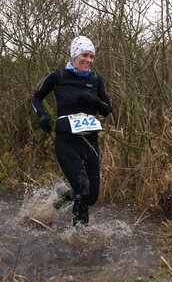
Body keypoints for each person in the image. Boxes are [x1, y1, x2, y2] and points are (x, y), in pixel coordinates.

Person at [31, 36, 112, 227]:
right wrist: (41, 116)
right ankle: (78, 237)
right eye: (85, 55)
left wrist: (94, 101)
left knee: (91, 197)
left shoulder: (96, 78)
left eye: (92, 56)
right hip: (66, 142)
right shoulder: (58, 76)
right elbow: (36, 97)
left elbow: (107, 110)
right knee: (83, 190)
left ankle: (63, 195)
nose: (89, 60)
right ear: (75, 55)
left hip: (90, 142)